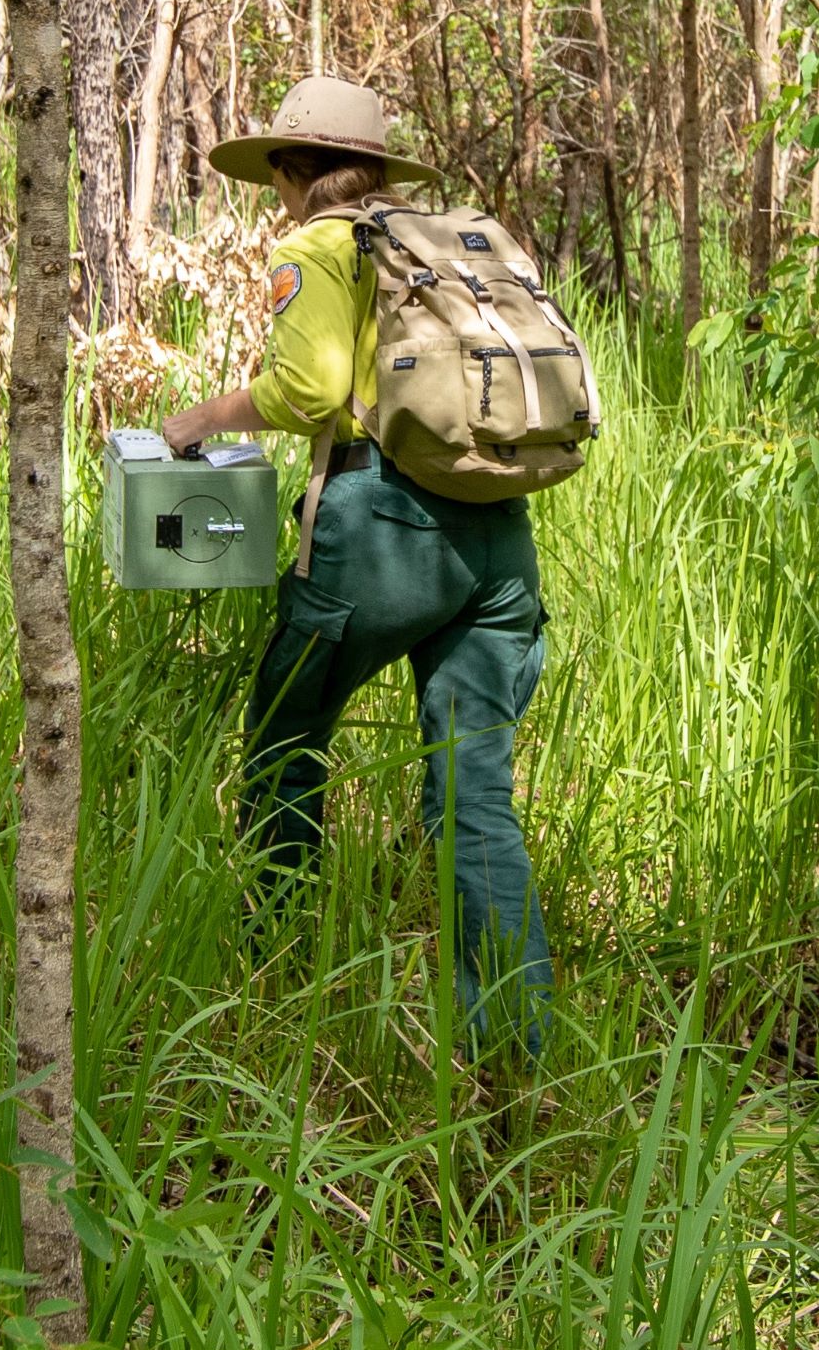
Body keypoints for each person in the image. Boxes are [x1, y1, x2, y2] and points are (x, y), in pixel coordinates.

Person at [157, 75, 557, 1049]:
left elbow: (307, 390)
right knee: (475, 796)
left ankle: (273, 973)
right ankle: (515, 1044)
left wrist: (202, 417)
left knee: (283, 738)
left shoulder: (317, 247)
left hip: (382, 524)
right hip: (499, 533)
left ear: (290, 172)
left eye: (275, 178)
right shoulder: (440, 244)